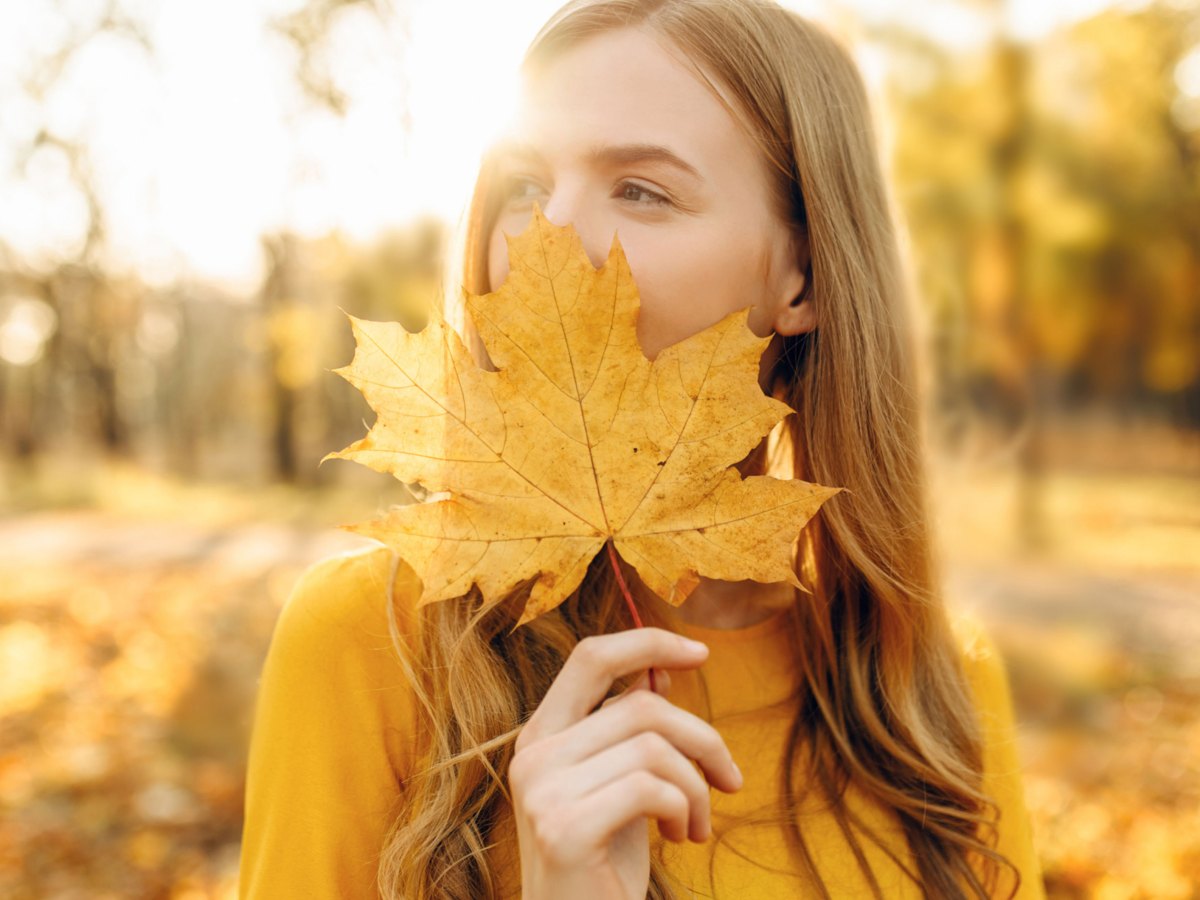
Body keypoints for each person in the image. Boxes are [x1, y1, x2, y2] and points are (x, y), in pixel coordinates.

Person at [238, 1, 1045, 897]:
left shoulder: (935, 689)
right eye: (525, 185)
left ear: (803, 279)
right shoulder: (373, 645)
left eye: (641, 191)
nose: (545, 240)